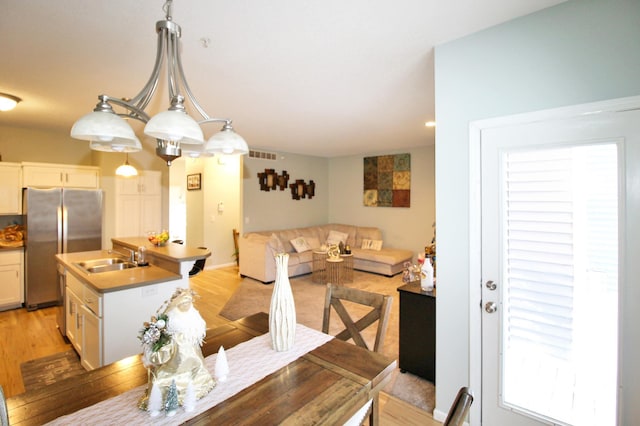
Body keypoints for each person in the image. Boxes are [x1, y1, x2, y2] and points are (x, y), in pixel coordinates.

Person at [139, 288, 215, 410]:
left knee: (196, 366)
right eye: (183, 303)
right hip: (177, 366)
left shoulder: (190, 325)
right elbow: (163, 353)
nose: (186, 305)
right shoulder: (172, 333)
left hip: (194, 365)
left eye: (188, 302)